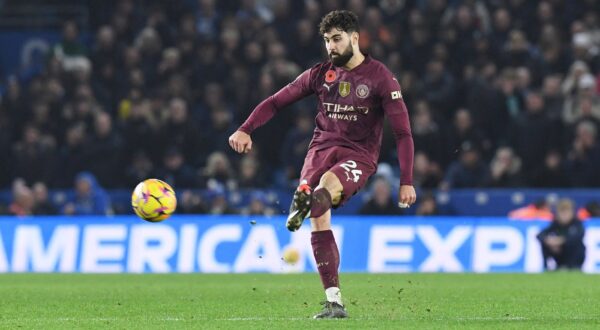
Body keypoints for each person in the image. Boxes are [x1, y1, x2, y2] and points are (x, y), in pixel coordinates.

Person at [228, 10, 416, 319]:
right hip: (320, 150)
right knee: (318, 209)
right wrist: (246, 128)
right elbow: (276, 101)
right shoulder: (320, 74)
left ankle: (304, 196)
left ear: (355, 38)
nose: (331, 47)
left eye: (337, 39)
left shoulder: (381, 77)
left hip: (358, 155)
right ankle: (334, 302)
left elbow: (403, 132)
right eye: (327, 40)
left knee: (325, 186)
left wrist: (406, 180)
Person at [537, 198, 586, 270]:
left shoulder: (577, 223)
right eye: (562, 213)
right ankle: (546, 267)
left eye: (567, 213)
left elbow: (579, 236)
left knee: (577, 245)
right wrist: (549, 242)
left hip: (573, 255)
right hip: (560, 253)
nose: (564, 216)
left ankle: (573, 267)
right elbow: (540, 235)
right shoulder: (556, 223)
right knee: (544, 244)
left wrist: (561, 241)